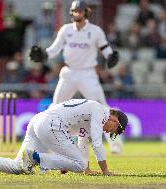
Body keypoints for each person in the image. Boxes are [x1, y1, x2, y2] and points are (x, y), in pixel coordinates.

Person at [28, 1, 122, 154]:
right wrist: (43, 55)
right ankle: (42, 142)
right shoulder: (65, 30)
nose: (77, 13)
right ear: (72, 12)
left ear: (86, 12)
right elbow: (54, 49)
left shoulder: (95, 31)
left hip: (88, 74)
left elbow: (105, 48)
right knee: (55, 107)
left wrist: (111, 56)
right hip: (69, 73)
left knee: (104, 109)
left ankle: (115, 144)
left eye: (80, 11)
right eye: (75, 11)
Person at [0, 99, 128, 176]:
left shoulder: (91, 115)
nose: (110, 132)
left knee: (18, 167)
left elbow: (83, 142)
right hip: (51, 124)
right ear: (114, 118)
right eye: (114, 129)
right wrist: (105, 171)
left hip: (38, 121)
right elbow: (97, 144)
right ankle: (35, 157)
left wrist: (79, 166)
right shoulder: (99, 110)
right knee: (78, 164)